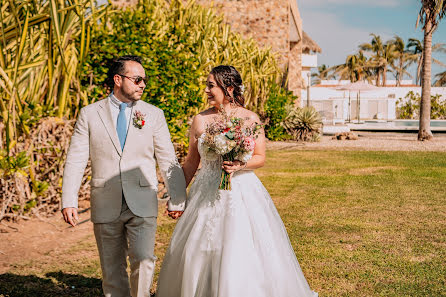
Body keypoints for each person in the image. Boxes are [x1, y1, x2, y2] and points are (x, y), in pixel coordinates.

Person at [156, 65, 317, 297]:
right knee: (199, 248)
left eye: (211, 85)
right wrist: (177, 198)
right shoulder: (199, 120)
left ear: (228, 88)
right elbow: (191, 163)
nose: (206, 90)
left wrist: (240, 165)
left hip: (242, 190)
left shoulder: (251, 118)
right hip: (206, 190)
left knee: (242, 248)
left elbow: (260, 158)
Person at [61, 55, 187, 297]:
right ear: (118, 80)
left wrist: (177, 198)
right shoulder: (89, 114)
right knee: (111, 269)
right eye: (137, 79)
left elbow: (167, 158)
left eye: (144, 80)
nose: (142, 85)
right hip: (105, 199)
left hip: (142, 198)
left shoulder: (154, 114)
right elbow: (76, 158)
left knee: (144, 259)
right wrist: (69, 200)